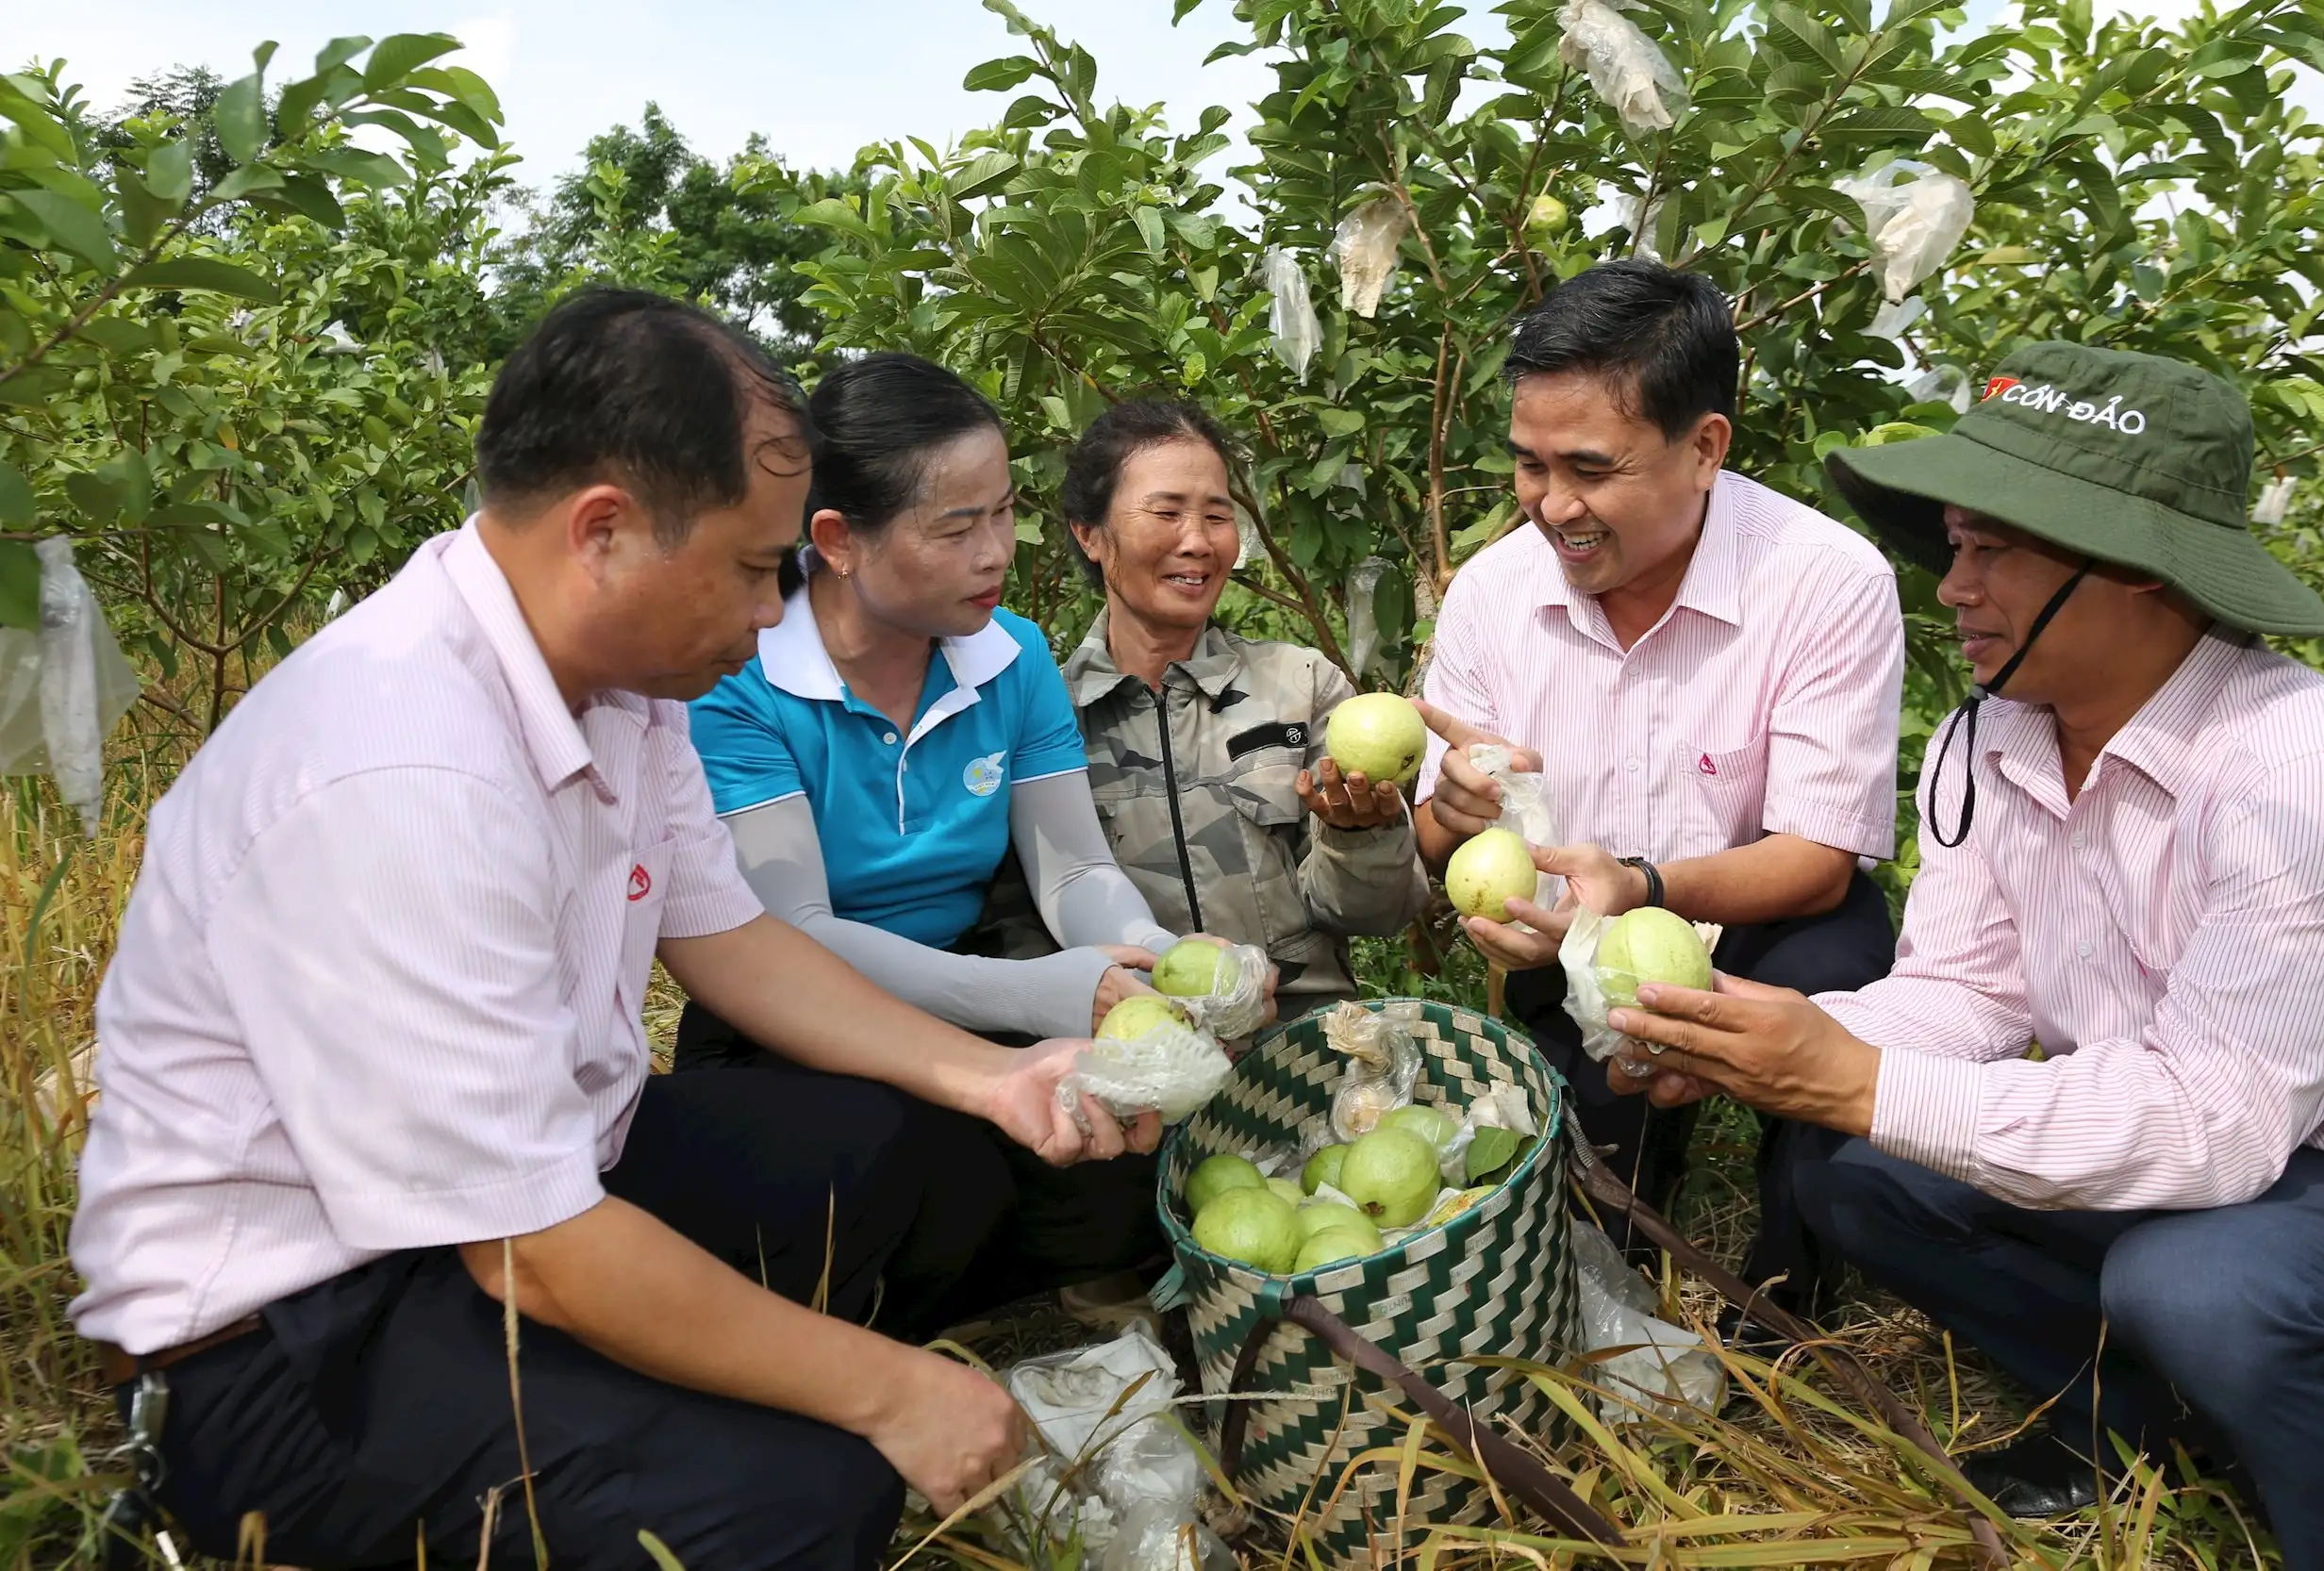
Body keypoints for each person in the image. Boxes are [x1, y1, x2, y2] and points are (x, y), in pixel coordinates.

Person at [67, 289, 1156, 1571]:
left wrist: (994, 1074)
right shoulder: (406, 766)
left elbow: (733, 937)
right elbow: (536, 1253)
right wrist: (890, 1391)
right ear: (605, 531)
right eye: (760, 570)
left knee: (911, 1148)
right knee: (808, 1498)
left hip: (531, 1192)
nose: (772, 616)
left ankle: (676, 1397)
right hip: (295, 1329)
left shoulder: (624, 692)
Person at [1603, 344, 2324, 1565]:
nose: (1955, 587)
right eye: (1955, 545)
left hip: (2313, 1167)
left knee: (2200, 1284)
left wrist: (1849, 1074)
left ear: (2143, 575)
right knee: (1854, 1172)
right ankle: (2135, 1422)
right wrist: (1761, 1042)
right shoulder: (1993, 738)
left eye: (1994, 549)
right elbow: (1970, 989)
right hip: (2191, 1138)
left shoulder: (2301, 772)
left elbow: (2219, 1122)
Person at [674, 355, 1222, 1331]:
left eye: (1004, 511)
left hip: (962, 977)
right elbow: (794, 926)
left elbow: (1075, 868)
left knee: (1127, 1152)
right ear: (837, 540)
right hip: (781, 1017)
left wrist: (1165, 960)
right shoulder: (745, 681)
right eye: (956, 525)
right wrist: (1036, 996)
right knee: (899, 1156)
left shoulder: (1009, 659)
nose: (995, 551)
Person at [1410, 259, 1905, 1327]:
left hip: (1766, 918)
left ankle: (1789, 1286)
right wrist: (1450, 821)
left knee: (1837, 981)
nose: (1552, 506)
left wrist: (1639, 886)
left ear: (1705, 449)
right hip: (1571, 941)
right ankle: (1635, 1188)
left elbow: (1820, 858)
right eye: (1529, 466)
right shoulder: (1495, 595)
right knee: (1591, 1214)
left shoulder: (1826, 579)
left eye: (1590, 468)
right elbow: (1432, 830)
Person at [1061, 399, 1430, 1020]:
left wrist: (1359, 834)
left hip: (1300, 1049)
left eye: (1216, 514)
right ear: (1090, 533)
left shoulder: (1300, 685)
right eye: (1167, 511)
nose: (1198, 542)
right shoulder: (1050, 719)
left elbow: (1377, 915)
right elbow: (1024, 926)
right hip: (1138, 1052)